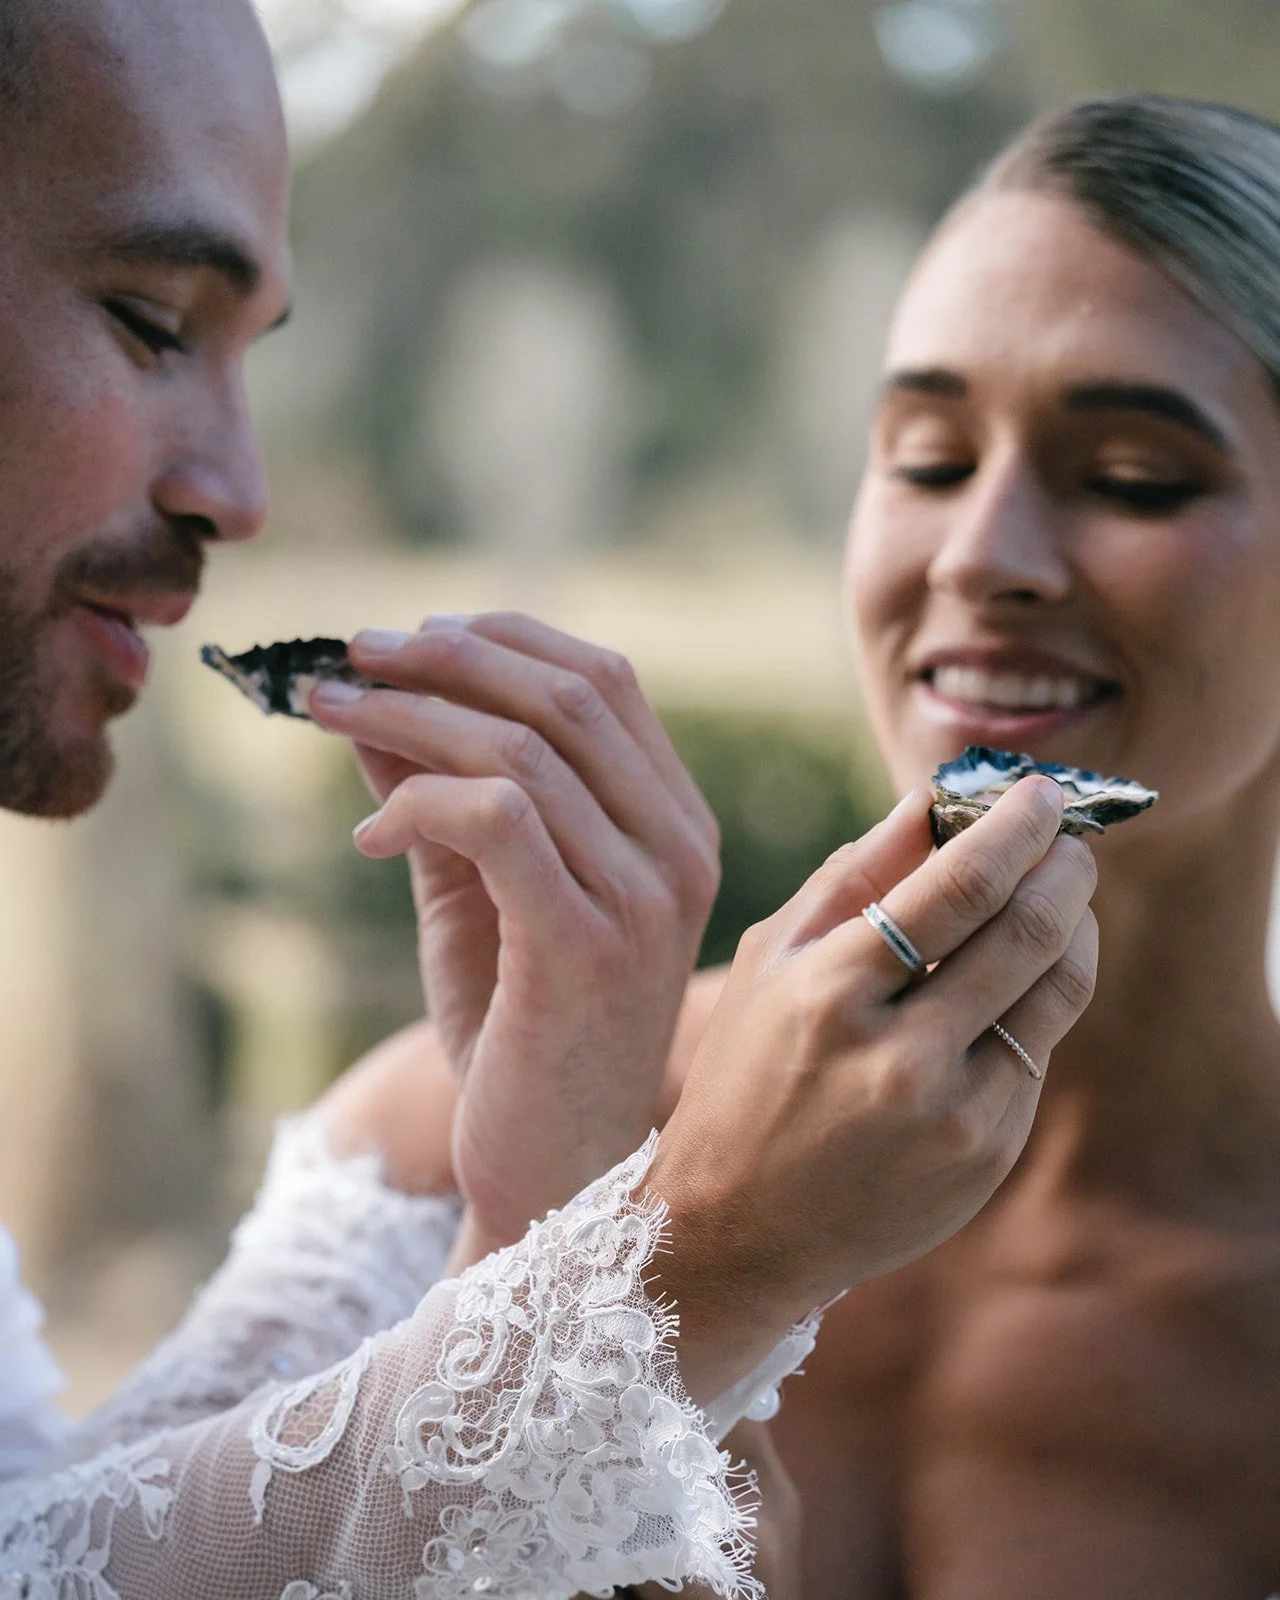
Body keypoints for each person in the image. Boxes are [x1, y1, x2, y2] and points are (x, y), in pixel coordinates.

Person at [0, 0, 1097, 1594]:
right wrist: (682, 1266)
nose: (235, 491)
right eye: (153, 319)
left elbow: (61, 1530)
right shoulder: (400, 1139)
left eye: (1137, 482)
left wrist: (555, 1210)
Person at [311, 93, 1280, 1595]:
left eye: (1133, 479)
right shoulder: (440, 1143)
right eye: (927, 458)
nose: (977, 558)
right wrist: (571, 1238)